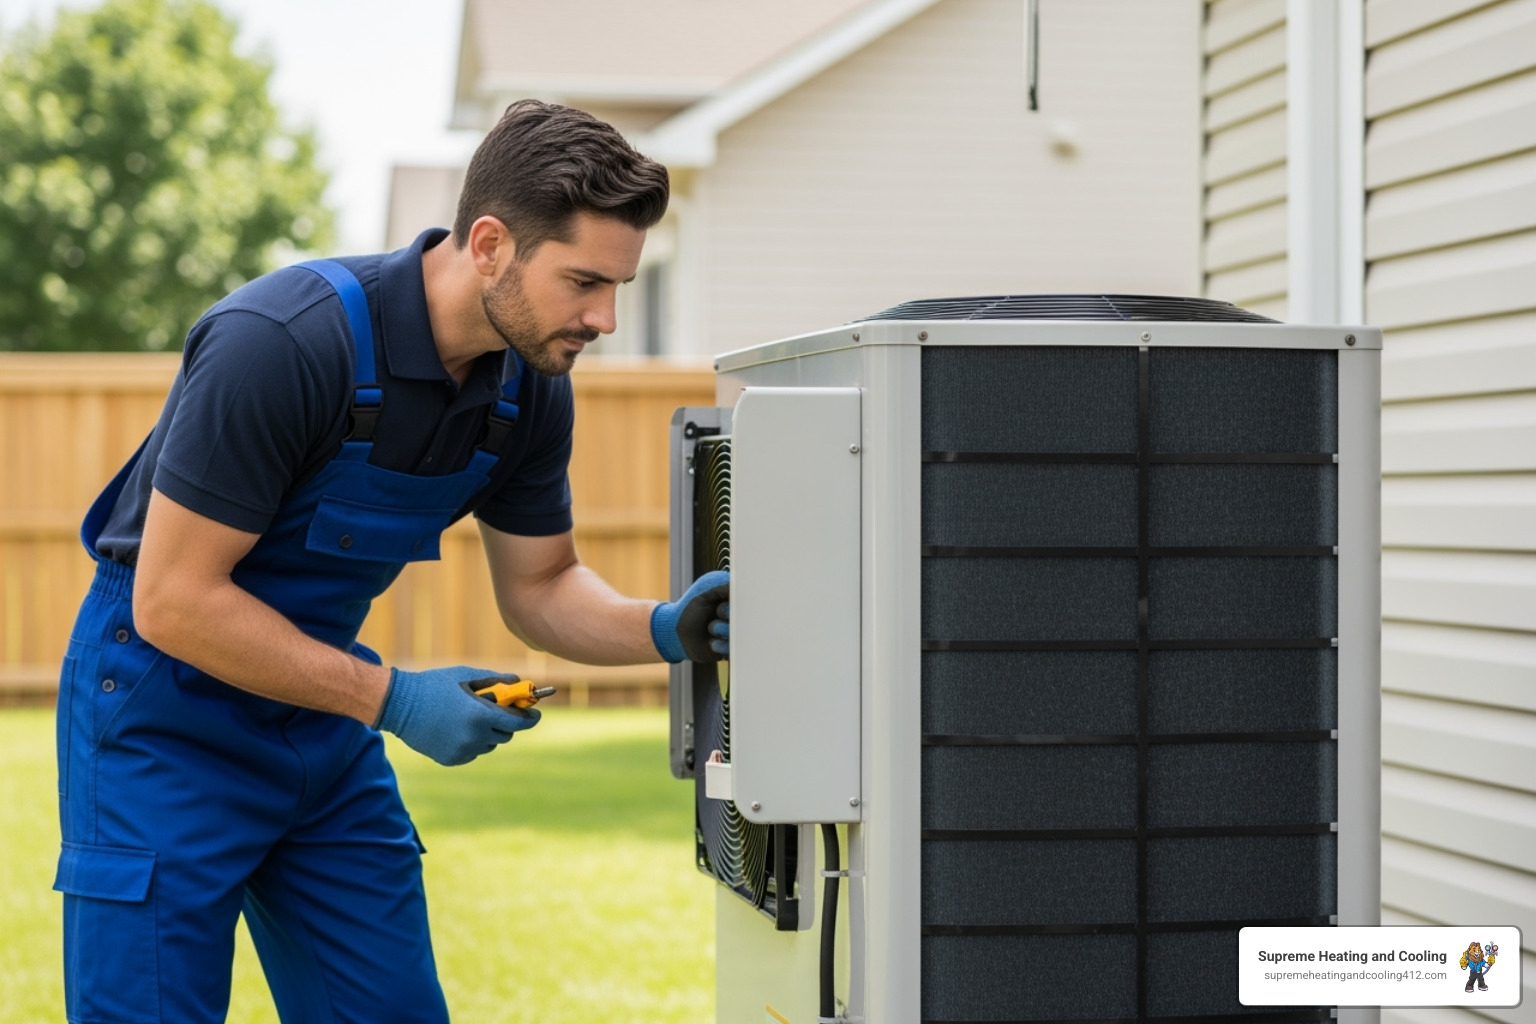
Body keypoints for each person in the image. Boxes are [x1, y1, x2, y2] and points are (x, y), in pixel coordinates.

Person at [53, 99, 729, 1024]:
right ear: (489, 244)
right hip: (159, 724)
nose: (605, 318)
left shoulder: (528, 392)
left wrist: (661, 628)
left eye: (617, 285)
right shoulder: (283, 343)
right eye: (583, 281)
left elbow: (541, 586)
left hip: (319, 730)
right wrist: (394, 700)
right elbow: (173, 600)